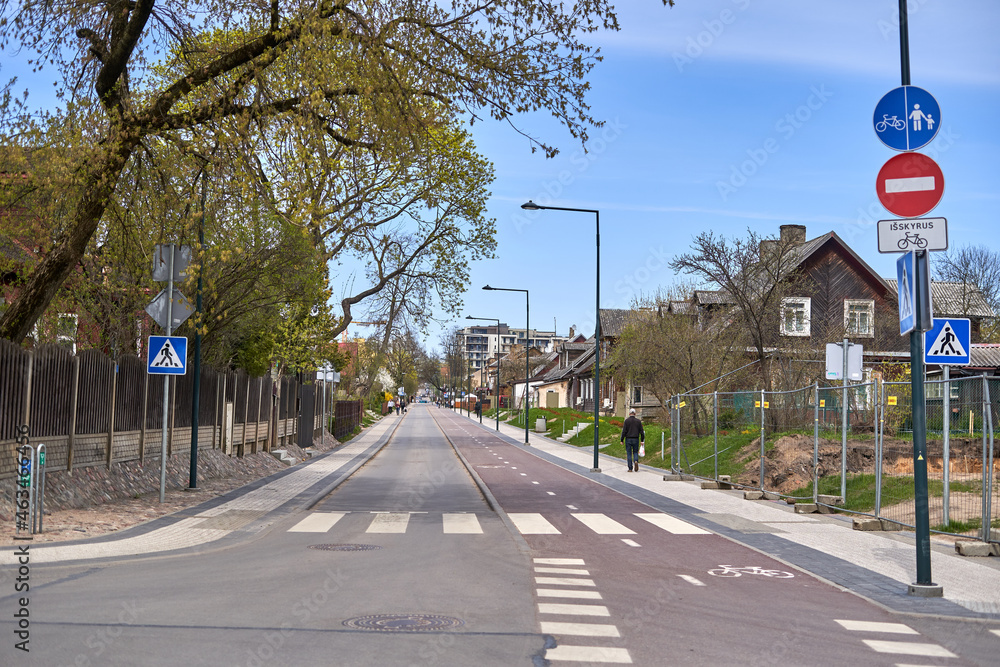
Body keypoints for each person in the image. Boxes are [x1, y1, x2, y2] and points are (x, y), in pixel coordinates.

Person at [620, 408, 645, 472]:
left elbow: (624, 431)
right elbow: (642, 432)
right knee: (635, 452)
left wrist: (622, 439)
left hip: (628, 439)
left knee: (629, 453)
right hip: (636, 438)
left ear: (629, 413)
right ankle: (636, 461)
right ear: (635, 414)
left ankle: (630, 468)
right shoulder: (638, 421)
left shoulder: (627, 421)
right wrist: (642, 440)